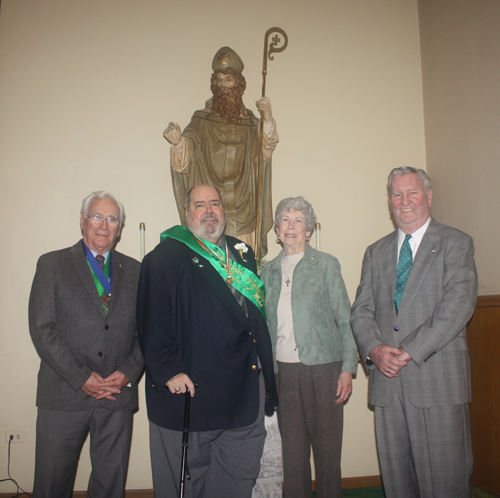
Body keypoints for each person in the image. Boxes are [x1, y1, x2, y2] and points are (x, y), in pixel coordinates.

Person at [136, 184, 278, 498]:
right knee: (185, 486)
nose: (209, 210)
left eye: (215, 203)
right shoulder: (164, 257)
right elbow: (150, 323)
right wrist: (168, 370)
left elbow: (253, 322)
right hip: (190, 395)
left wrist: (268, 381)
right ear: (186, 214)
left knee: (237, 479)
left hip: (243, 394)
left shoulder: (242, 252)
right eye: (200, 205)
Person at [350, 167, 478, 498]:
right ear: (389, 202)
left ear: (429, 197)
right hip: (387, 386)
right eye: (396, 194)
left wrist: (409, 350)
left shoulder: (456, 243)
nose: (404, 201)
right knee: (397, 484)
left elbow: (458, 305)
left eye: (412, 193)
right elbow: (361, 311)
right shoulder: (375, 252)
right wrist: (375, 350)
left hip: (437, 384)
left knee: (446, 484)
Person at [28, 191, 144, 498]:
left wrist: (128, 372)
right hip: (64, 393)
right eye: (96, 216)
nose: (103, 225)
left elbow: (146, 332)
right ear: (82, 221)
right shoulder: (52, 264)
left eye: (112, 219)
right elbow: (43, 329)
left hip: (116, 394)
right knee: (52, 484)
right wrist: (81, 378)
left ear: (120, 227)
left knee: (110, 485)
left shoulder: (136, 271)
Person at [260, 196, 358, 498]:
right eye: (285, 220)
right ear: (277, 229)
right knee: (293, 455)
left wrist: (347, 369)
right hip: (283, 374)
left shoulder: (326, 265)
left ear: (309, 230)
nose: (291, 226)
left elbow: (345, 318)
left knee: (328, 456)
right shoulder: (266, 272)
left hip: (324, 369)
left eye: (298, 220)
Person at [164, 46, 279, 256]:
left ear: (239, 85)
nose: (223, 86)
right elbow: (187, 154)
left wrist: (268, 120)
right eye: (219, 80)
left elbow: (265, 150)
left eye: (229, 80)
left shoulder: (252, 122)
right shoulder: (202, 120)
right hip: (209, 215)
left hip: (245, 209)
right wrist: (178, 143)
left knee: (243, 271)